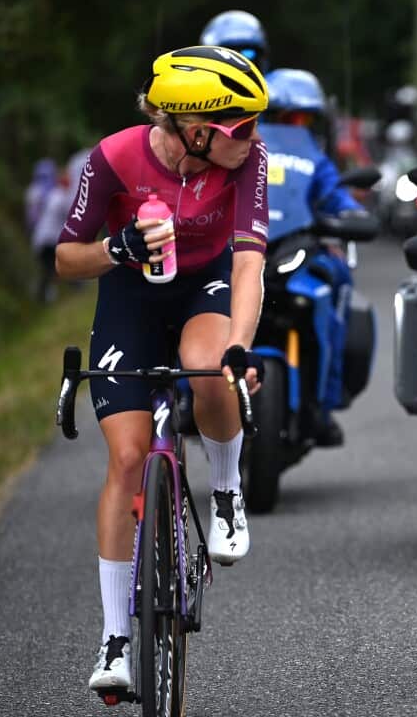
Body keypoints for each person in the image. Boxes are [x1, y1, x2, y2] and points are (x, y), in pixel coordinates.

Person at [53, 46, 269, 692]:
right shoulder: (116, 156)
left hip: (205, 285)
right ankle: (116, 640)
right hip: (130, 296)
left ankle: (227, 493)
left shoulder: (246, 162)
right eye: (242, 125)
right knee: (125, 458)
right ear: (193, 127)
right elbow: (66, 259)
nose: (254, 138)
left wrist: (240, 345)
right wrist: (114, 249)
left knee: (207, 368)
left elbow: (250, 263)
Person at [262, 67, 366, 444]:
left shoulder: (315, 160)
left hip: (297, 248)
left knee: (336, 283)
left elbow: (336, 196)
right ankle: (189, 393)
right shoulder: (239, 152)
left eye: (304, 118)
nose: (296, 126)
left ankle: (324, 401)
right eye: (289, 117)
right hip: (246, 247)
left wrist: (353, 214)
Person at [200, 9, 269, 71]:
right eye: (227, 55)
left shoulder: (276, 83)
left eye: (248, 53)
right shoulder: (194, 83)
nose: (238, 62)